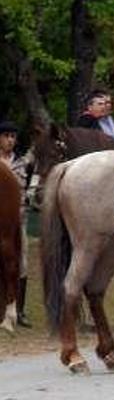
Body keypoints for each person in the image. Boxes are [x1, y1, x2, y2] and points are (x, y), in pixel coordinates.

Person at [0, 120, 32, 328]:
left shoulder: (22, 163)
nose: (10, 140)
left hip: (18, 217)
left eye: (13, 137)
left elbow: (30, 188)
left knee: (21, 261)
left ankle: (18, 310)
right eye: (6, 136)